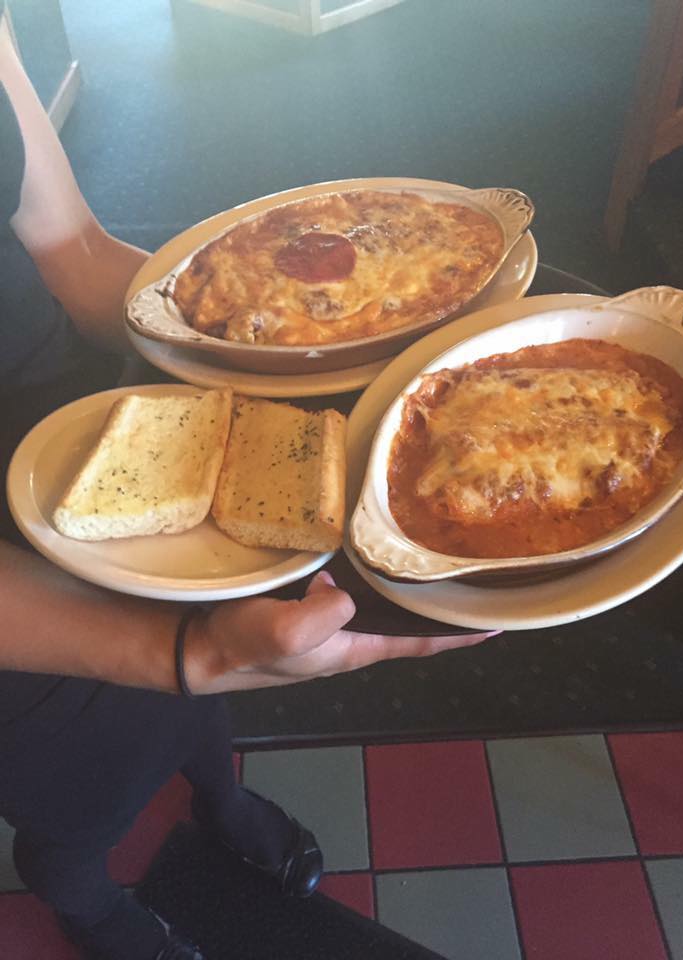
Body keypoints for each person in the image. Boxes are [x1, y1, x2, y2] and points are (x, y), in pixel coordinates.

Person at [0, 9, 494, 959]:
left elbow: (70, 250)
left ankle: (220, 797)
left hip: (85, 443)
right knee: (74, 799)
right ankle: (87, 903)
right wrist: (186, 652)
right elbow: (184, 652)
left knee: (195, 702)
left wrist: (288, 323)